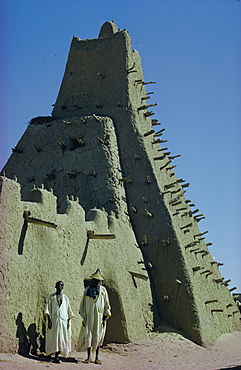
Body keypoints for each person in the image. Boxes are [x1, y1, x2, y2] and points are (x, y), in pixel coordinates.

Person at [77, 269, 111, 364]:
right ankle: (88, 357)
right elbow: (82, 305)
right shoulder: (87, 291)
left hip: (99, 317)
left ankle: (96, 357)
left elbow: (106, 304)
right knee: (89, 335)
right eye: (94, 280)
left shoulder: (103, 291)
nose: (95, 282)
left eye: (97, 281)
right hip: (89, 317)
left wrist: (105, 317)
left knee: (98, 336)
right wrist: (84, 317)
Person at [44, 281, 75, 363]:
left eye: (61, 285)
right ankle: (50, 354)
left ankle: (56, 357)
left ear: (63, 287)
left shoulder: (65, 298)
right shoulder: (51, 297)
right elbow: (47, 309)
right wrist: (49, 320)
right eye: (58, 285)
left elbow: (69, 311)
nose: (59, 287)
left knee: (61, 338)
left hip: (63, 321)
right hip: (54, 320)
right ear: (55, 286)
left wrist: (68, 321)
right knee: (52, 338)